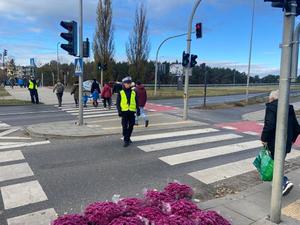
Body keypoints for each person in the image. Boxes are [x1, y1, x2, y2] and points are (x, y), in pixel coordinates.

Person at [261, 90, 300, 196]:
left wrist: (264, 138)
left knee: (274, 164)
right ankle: (277, 183)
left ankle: (284, 182)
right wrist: (291, 140)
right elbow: (297, 128)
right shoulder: (289, 108)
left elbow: (269, 124)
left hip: (275, 142)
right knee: (279, 163)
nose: (269, 101)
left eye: (269, 99)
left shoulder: (271, 107)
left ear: (272, 98)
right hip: (286, 142)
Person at [116, 76, 140, 147]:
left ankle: (127, 137)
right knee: (124, 126)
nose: (128, 84)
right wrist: (119, 111)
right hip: (124, 112)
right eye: (126, 83)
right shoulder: (121, 92)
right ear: (124, 84)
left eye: (129, 83)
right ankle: (126, 140)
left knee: (131, 125)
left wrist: (138, 109)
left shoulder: (133, 92)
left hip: (131, 111)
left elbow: (136, 101)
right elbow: (118, 103)